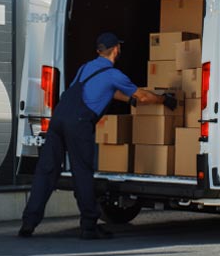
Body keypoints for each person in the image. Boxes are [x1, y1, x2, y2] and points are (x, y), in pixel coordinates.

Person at [20, 32, 177, 240]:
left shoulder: (86, 68)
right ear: (116, 49)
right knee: (82, 174)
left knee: (46, 171)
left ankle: (28, 224)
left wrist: (127, 100)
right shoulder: (114, 74)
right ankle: (89, 227)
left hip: (58, 119)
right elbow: (143, 96)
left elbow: (103, 91)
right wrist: (164, 99)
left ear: (99, 50)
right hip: (79, 124)